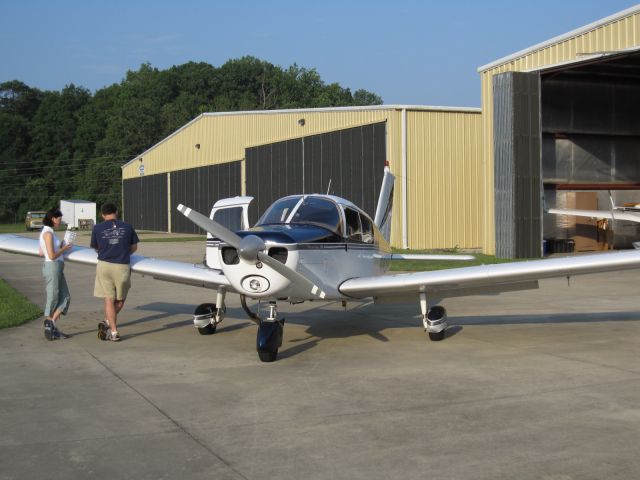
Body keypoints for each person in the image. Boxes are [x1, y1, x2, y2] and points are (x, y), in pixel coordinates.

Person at [90, 203, 139, 342]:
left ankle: (113, 330)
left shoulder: (97, 228)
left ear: (102, 214)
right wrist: (122, 251)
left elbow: (96, 247)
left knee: (108, 299)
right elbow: (134, 247)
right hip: (121, 266)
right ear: (116, 212)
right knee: (120, 300)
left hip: (104, 265)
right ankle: (108, 324)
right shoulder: (128, 227)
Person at [39, 208, 73, 340]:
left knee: (66, 297)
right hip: (52, 267)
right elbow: (52, 256)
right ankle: (49, 325)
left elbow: (41, 252)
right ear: (53, 218)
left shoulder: (49, 233)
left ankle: (51, 323)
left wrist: (61, 246)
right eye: (59, 218)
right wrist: (64, 248)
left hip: (57, 268)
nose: (60, 221)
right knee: (53, 296)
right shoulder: (47, 233)